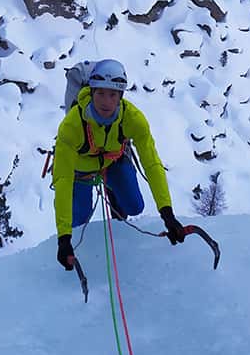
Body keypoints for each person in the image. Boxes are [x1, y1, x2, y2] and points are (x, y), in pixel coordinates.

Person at [53, 59, 186, 270]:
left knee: (135, 206)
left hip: (113, 161)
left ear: (121, 96)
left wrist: (167, 213)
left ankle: (113, 193)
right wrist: (64, 238)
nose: (106, 101)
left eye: (112, 94)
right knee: (78, 221)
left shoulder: (133, 119)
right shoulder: (72, 125)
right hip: (81, 172)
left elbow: (152, 164)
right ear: (92, 91)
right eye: (101, 94)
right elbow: (62, 179)